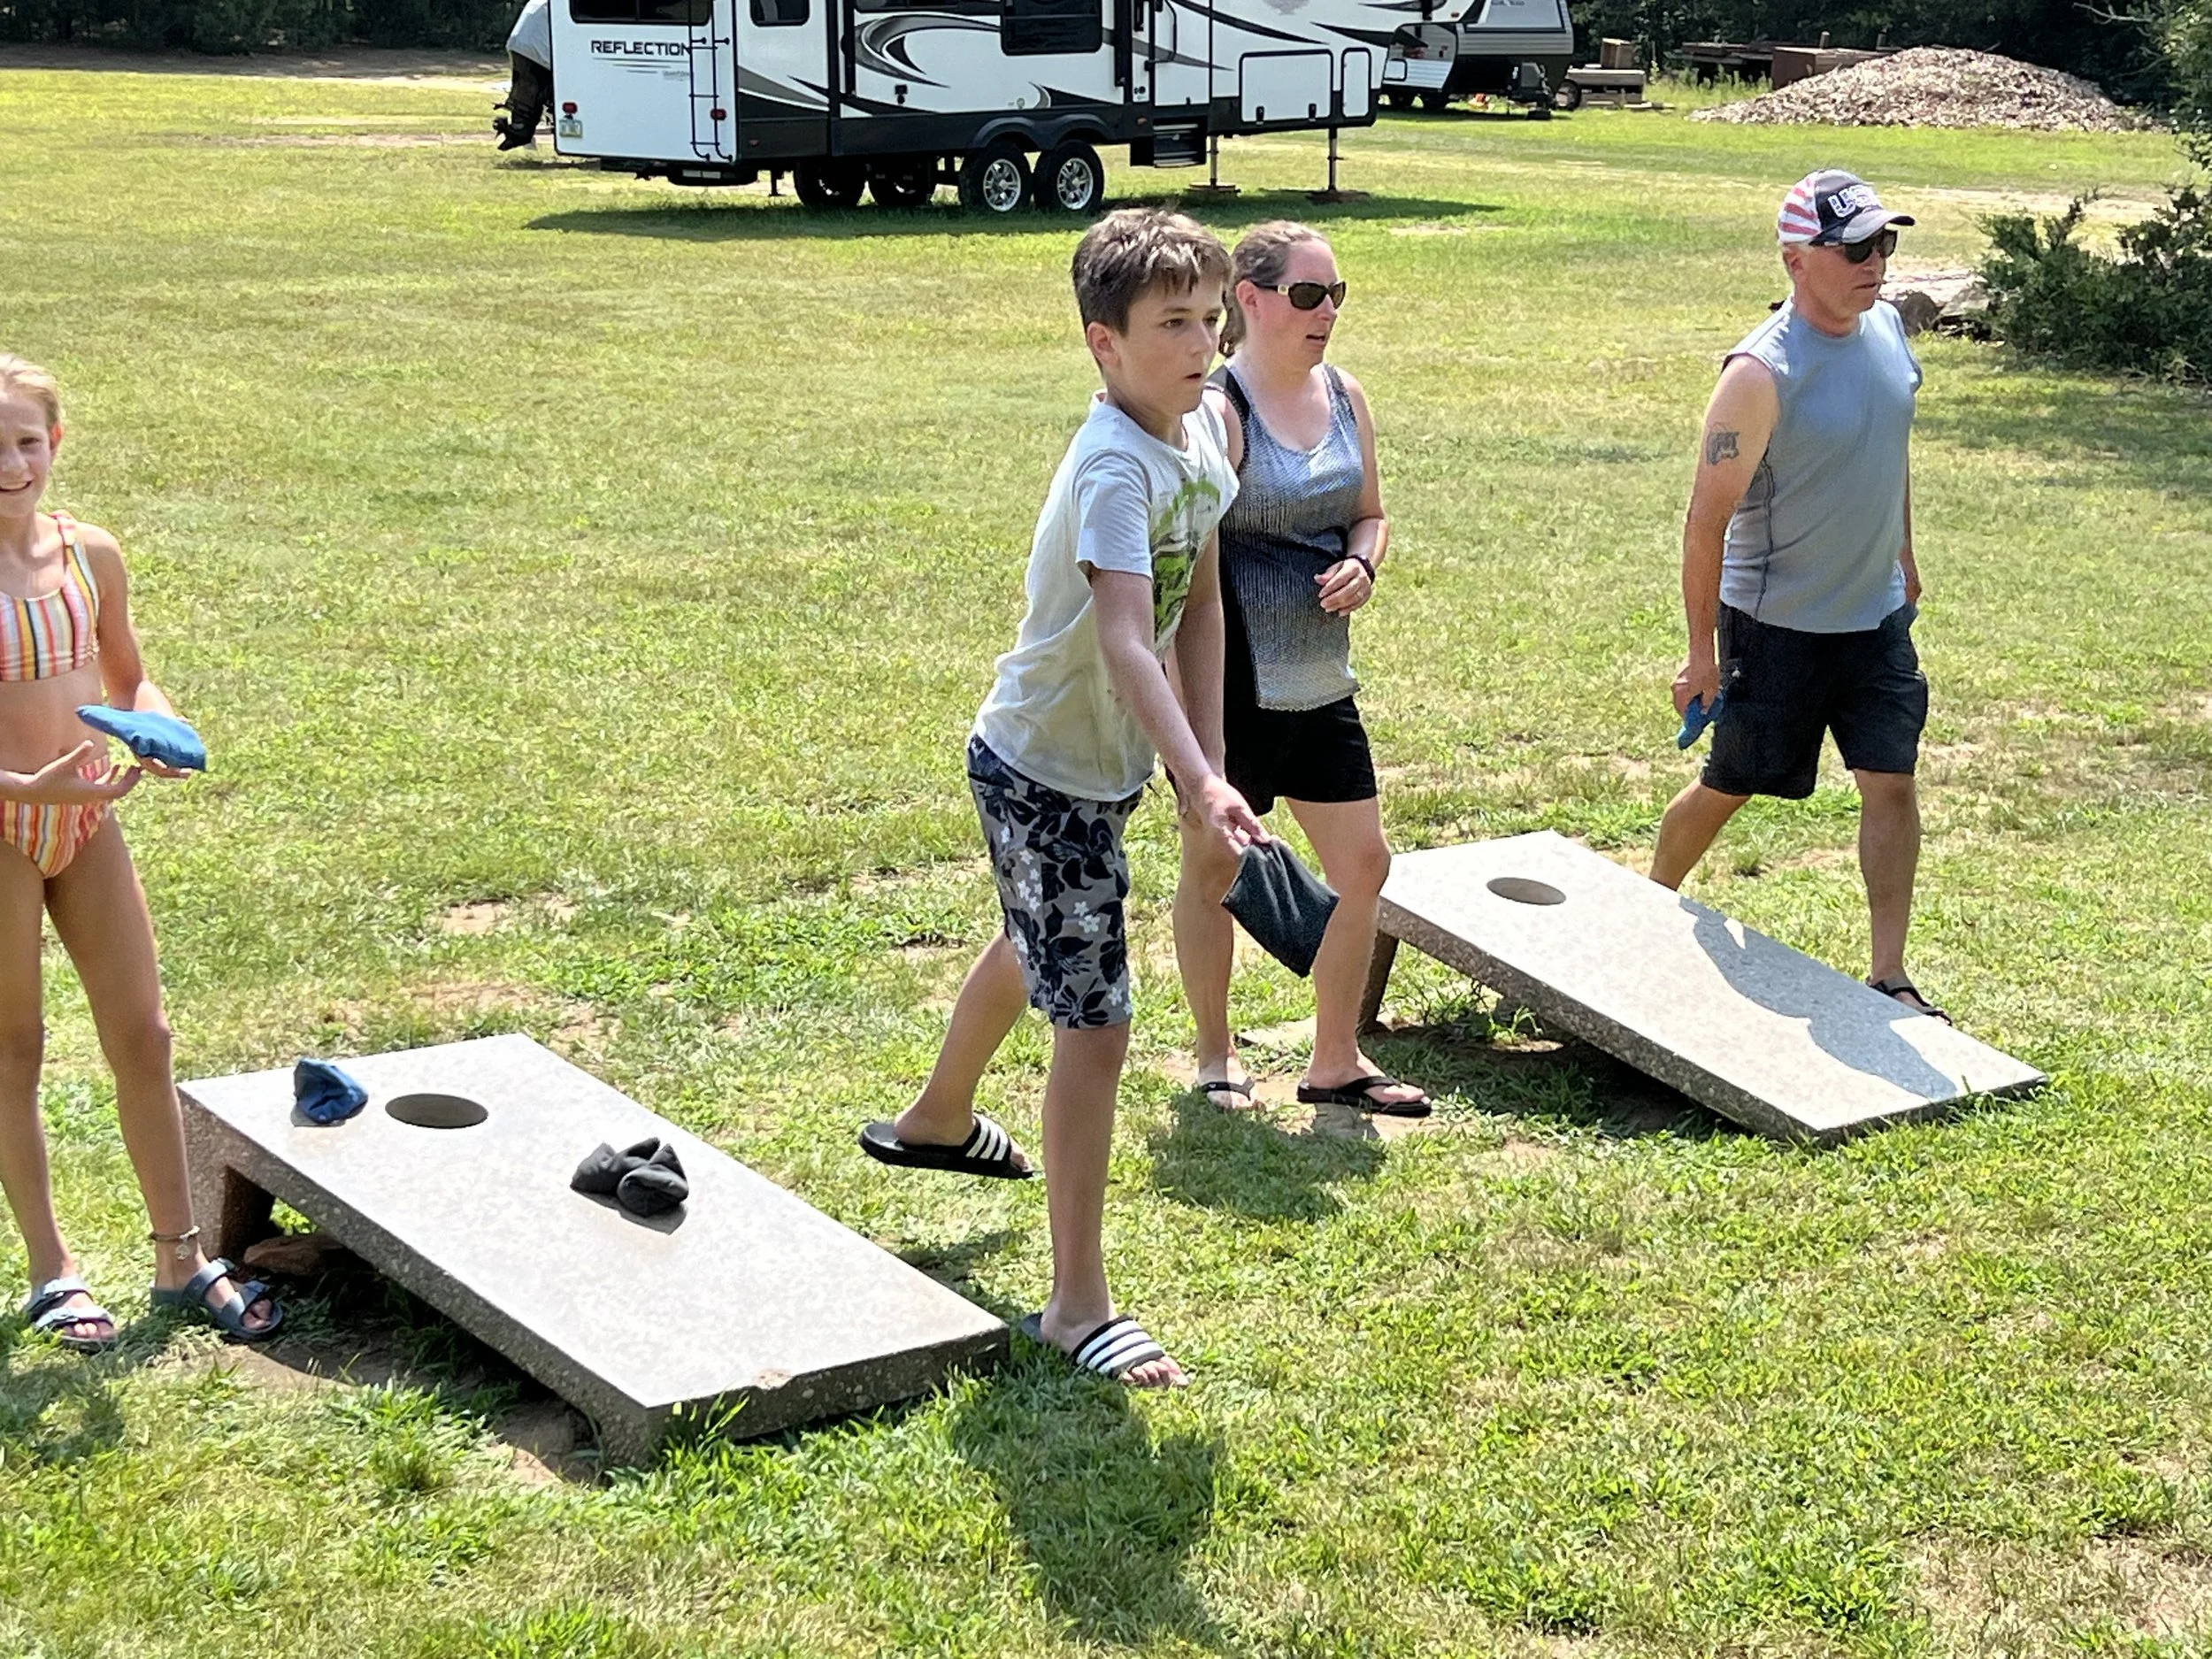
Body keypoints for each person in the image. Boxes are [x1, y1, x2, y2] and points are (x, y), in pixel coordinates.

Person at [856, 211, 1262, 1389]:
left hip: (1104, 762)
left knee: (1040, 934)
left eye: (1209, 318)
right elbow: (1128, 637)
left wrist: (1206, 769)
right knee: (1095, 1023)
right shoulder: (1112, 470)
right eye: (1171, 323)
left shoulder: (1202, 438)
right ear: (1104, 342)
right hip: (1039, 766)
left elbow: (1202, 607)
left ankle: (936, 1118)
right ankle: (1077, 1305)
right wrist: (1196, 776)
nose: (1201, 342)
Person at [0, 354, 280, 1351]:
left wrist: (160, 726)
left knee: (145, 1036)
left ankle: (181, 1256)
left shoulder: (91, 555)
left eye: (25, 442)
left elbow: (129, 677)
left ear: (54, 443)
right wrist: (22, 790)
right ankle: (52, 1271)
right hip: (4, 823)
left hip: (85, 821)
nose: (11, 466)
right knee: (14, 1047)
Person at [1649, 171, 1947, 1019]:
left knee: (1891, 781)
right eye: (1854, 248)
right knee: (1732, 781)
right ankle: (1646, 903)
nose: (1875, 262)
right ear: (1796, 260)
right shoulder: (1760, 372)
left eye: (1884, 242)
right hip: (1776, 624)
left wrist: (1903, 553)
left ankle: (1888, 973)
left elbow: (1889, 449)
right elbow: (1705, 522)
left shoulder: (1887, 329)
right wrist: (1702, 652)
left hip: (1874, 617)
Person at [1171, 223, 1427, 1118]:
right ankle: (1215, 1055)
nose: (1327, 313)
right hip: (1231, 684)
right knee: (1213, 868)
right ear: (1249, 300)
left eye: (1335, 296)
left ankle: (1334, 1060)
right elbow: (1183, 564)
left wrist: (1364, 561)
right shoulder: (1219, 412)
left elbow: (1371, 514)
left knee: (1363, 863)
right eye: (1308, 296)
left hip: (1320, 680)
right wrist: (1190, 731)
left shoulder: (1346, 395)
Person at [495, 0, 553, 152]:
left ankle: (519, 129)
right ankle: (520, 131)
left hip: (519, 41)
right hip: (537, 45)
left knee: (526, 88)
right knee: (535, 90)